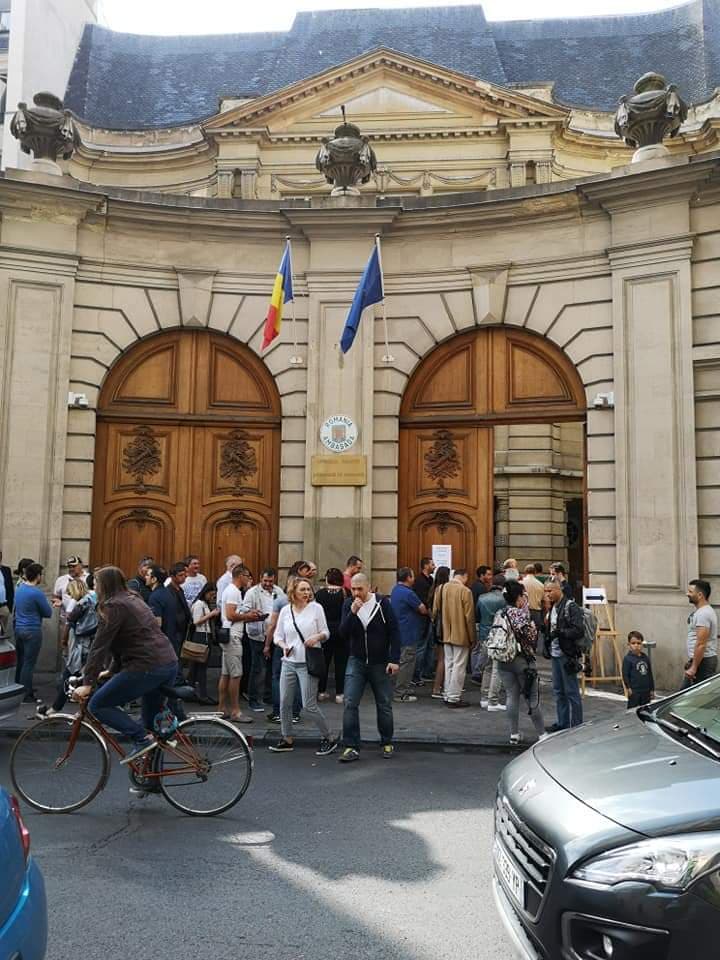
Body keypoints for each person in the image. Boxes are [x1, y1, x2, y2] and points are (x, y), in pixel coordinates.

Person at [72, 566, 179, 765]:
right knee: (151, 726)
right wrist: (111, 670)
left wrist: (87, 683)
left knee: (98, 705)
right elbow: (126, 640)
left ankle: (141, 739)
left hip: (147, 666)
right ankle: (152, 776)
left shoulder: (113, 606)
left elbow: (100, 646)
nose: (94, 588)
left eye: (96, 584)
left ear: (105, 585)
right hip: (167, 662)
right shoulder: (132, 598)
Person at [269, 578, 337, 756]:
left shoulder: (316, 608)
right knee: (284, 702)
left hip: (308, 663)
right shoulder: (286, 610)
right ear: (293, 592)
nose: (307, 593)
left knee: (308, 705)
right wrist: (283, 646)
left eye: (308, 589)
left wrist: (317, 637)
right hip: (288, 662)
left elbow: (326, 632)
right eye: (303, 590)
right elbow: (277, 636)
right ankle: (287, 738)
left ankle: (329, 737)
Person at [337, 572, 400, 762]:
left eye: (360, 589)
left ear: (369, 587)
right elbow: (342, 633)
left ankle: (387, 742)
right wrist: (352, 613)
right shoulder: (348, 604)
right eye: (353, 589)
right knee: (350, 702)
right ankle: (351, 746)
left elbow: (394, 631)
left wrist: (394, 659)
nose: (356, 593)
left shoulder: (382, 603)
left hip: (379, 662)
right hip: (356, 660)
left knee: (384, 703)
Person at [39, 574, 98, 717]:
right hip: (92, 644)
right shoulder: (96, 600)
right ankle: (84, 710)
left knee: (69, 677)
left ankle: (56, 708)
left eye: (70, 592)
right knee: (86, 678)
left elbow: (70, 621)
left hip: (81, 646)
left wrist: (64, 640)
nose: (69, 595)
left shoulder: (82, 603)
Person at [496, 580, 546, 744]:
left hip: (504, 659)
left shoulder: (500, 613)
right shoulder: (520, 614)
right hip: (521, 659)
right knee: (532, 697)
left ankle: (514, 733)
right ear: (518, 597)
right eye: (523, 595)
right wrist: (532, 624)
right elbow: (531, 638)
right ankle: (542, 734)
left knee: (511, 695)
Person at [219, 564, 259, 723]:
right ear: (240, 575)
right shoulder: (234, 591)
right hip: (233, 637)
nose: (249, 579)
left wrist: (248, 615)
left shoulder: (231, 590)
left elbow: (233, 614)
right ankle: (235, 711)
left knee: (226, 674)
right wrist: (248, 616)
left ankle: (222, 709)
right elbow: (230, 615)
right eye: (247, 576)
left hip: (229, 635)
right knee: (236, 675)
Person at [543, 580, 584, 731]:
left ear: (558, 589)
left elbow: (579, 630)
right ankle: (563, 723)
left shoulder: (570, 606)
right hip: (555, 654)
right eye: (546, 591)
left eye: (550, 591)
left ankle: (577, 725)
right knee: (559, 691)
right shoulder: (552, 607)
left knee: (571, 691)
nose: (547, 594)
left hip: (567, 655)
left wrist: (561, 632)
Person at [243, 568, 285, 712]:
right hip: (257, 635)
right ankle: (253, 699)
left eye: (270, 581)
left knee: (273, 668)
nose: (267, 584)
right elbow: (244, 610)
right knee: (257, 667)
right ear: (260, 578)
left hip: (274, 634)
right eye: (265, 581)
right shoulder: (252, 592)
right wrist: (253, 613)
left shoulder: (279, 591)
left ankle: (268, 696)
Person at [433, 568, 475, 708]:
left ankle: (447, 693)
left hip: (445, 633)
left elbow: (435, 611)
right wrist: (472, 637)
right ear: (464, 576)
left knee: (449, 663)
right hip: (461, 634)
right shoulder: (465, 591)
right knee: (459, 665)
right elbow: (469, 617)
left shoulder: (441, 588)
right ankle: (454, 697)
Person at [14, 562, 54, 702]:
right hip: (32, 629)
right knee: (29, 663)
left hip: (19, 628)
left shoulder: (20, 589)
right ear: (37, 576)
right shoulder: (37, 592)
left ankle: (18, 689)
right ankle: (26, 694)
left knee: (21, 661)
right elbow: (48, 612)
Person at [264, 575, 302, 723]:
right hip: (299, 645)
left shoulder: (280, 601)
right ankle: (295, 712)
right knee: (297, 677)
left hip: (282, 644)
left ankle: (278, 712)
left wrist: (267, 645)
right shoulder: (308, 602)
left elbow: (272, 625)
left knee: (277, 677)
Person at [390, 567, 428, 703]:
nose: (414, 578)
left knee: (403, 661)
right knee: (407, 663)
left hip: (399, 632)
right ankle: (400, 693)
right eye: (412, 576)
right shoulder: (408, 593)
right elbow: (422, 609)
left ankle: (402, 687)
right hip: (408, 632)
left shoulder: (395, 590)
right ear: (408, 578)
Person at [315, 568, 349, 703]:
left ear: (327, 579)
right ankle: (340, 693)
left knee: (324, 662)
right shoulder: (346, 592)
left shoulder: (320, 593)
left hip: (324, 631)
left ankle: (321, 692)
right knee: (341, 663)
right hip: (341, 631)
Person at [473, 574, 507, 710]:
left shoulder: (482, 598)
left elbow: (477, 616)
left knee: (487, 667)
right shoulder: (505, 599)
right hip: (499, 635)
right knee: (496, 668)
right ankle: (493, 700)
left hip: (484, 634)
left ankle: (484, 697)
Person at [148, 561, 192, 659]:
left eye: (185, 575)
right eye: (180, 575)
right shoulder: (168, 591)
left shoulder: (179, 590)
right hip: (172, 631)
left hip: (180, 630)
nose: (184, 577)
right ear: (172, 576)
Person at [188, 582, 220, 704]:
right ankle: (203, 695)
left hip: (204, 635)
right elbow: (196, 621)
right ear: (205, 593)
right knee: (201, 667)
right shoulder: (199, 604)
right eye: (211, 595)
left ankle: (191, 693)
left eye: (214, 595)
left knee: (195, 667)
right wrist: (211, 614)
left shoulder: (204, 604)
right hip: (201, 636)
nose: (212, 597)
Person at [683, 579, 718, 687]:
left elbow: (701, 644)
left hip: (703, 662)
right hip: (700, 661)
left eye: (690, 591)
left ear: (700, 595)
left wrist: (694, 667)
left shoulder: (704, 614)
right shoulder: (702, 612)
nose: (687, 594)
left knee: (688, 695)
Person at [412, 557, 436, 684]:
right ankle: (416, 675)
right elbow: (422, 601)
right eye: (432, 564)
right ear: (426, 566)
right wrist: (429, 613)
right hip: (422, 618)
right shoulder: (420, 581)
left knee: (430, 645)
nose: (434, 566)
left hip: (429, 617)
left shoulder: (430, 580)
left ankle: (428, 671)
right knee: (421, 646)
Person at [430, 566, 451, 700]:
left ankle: (441, 686)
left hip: (437, 627)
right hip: (443, 627)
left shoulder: (434, 589)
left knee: (442, 658)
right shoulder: (443, 589)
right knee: (443, 659)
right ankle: (437, 688)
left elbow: (433, 612)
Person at [623, 630, 654, 708]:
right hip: (634, 691)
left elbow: (649, 674)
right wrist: (628, 688)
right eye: (633, 643)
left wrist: (652, 689)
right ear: (629, 644)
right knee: (633, 710)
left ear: (642, 644)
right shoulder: (628, 659)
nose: (636, 645)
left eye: (639, 643)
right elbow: (625, 675)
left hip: (646, 691)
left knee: (645, 709)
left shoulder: (645, 658)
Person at [522, 563, 545, 630]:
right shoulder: (540, 585)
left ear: (525, 572)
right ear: (535, 572)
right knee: (536, 632)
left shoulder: (521, 582)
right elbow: (544, 601)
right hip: (536, 612)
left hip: (523, 611)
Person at [0, 549, 15, 636]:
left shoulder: (6, 570)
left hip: (4, 607)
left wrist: (9, 607)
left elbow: (10, 589)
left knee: (2, 634)